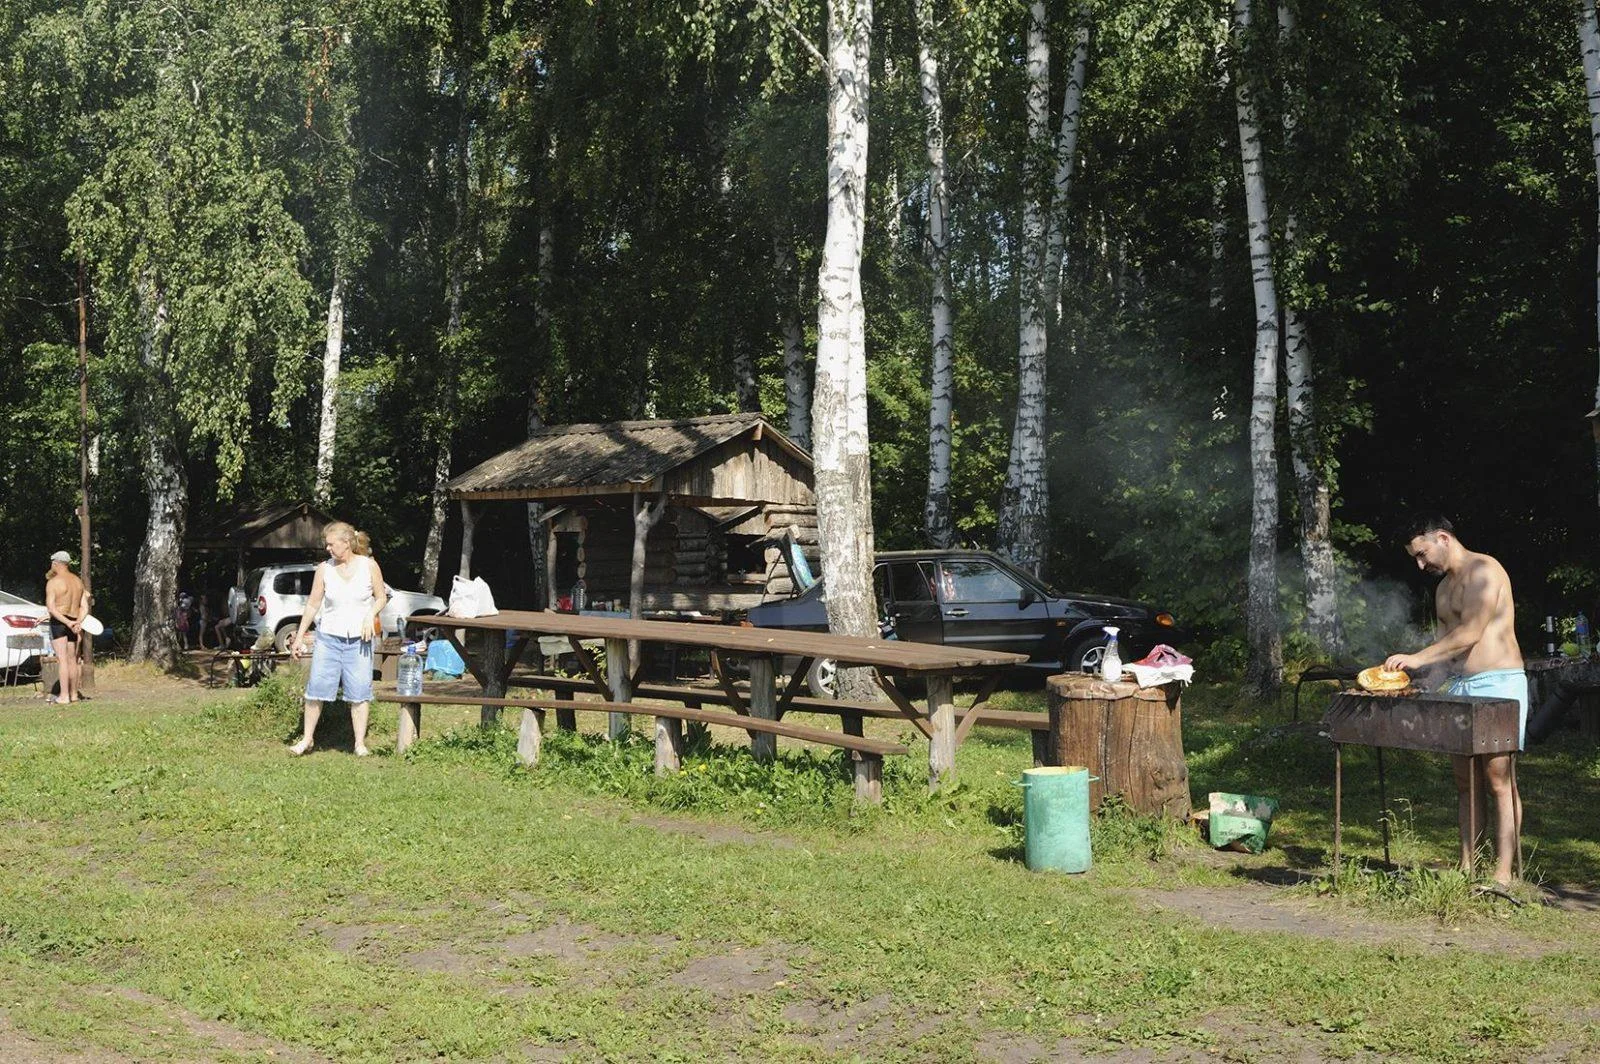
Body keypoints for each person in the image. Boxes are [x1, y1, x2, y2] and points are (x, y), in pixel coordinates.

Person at [1384, 514, 1527, 887]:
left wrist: (1416, 656)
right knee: (1465, 781)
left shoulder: (1486, 570)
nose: (1421, 564)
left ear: (1443, 538)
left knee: (1498, 779)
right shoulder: (1443, 590)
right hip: (1461, 687)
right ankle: (1467, 866)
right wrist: (1418, 682)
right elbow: (1447, 654)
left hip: (1500, 683)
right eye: (1415, 558)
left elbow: (1471, 633)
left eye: (1422, 553)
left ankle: (1502, 873)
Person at [288, 522, 388, 757]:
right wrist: (299, 636)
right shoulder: (325, 569)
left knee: (360, 692)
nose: (328, 548)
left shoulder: (369, 566)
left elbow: (381, 597)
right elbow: (313, 603)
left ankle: (359, 744)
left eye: (332, 544)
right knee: (316, 689)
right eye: (327, 545)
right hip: (328, 639)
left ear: (347, 543)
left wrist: (369, 617)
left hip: (359, 641)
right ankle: (307, 739)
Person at [44, 550, 89, 705]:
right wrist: (77, 622)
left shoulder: (53, 582)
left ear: (56, 563)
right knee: (73, 660)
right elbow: (84, 607)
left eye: (52, 563)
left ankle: (64, 696)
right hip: (74, 620)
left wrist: (67, 622)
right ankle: (74, 694)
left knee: (62, 660)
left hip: (60, 622)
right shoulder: (78, 582)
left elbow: (51, 608)